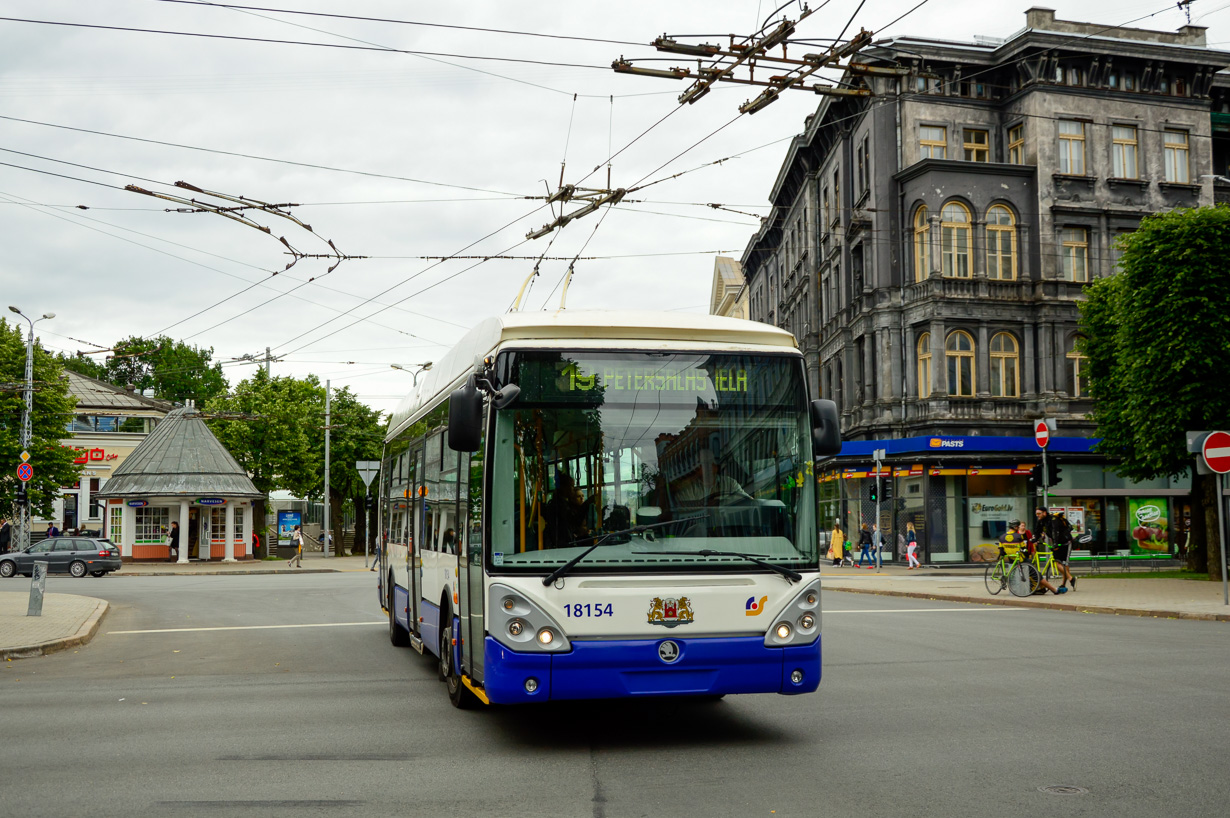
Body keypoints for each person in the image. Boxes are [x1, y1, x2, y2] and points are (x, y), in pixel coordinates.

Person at [1003, 520, 1066, 595]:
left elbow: (1001, 550)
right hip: (1021, 559)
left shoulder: (1003, 537)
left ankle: (1040, 588)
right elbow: (1024, 547)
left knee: (1032, 574)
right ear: (1016, 527)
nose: (1021, 527)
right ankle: (1053, 589)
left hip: (1012, 559)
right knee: (1037, 574)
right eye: (1019, 526)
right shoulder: (1018, 536)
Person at [1034, 507, 1076, 591]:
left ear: (1044, 513)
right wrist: (1034, 540)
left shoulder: (1053, 519)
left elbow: (1055, 531)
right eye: (1036, 514)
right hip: (1056, 543)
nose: (1037, 515)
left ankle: (1063, 584)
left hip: (1066, 542)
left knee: (1064, 563)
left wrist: (1055, 543)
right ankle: (1071, 578)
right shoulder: (1041, 521)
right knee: (1056, 563)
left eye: (1039, 513)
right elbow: (1037, 532)